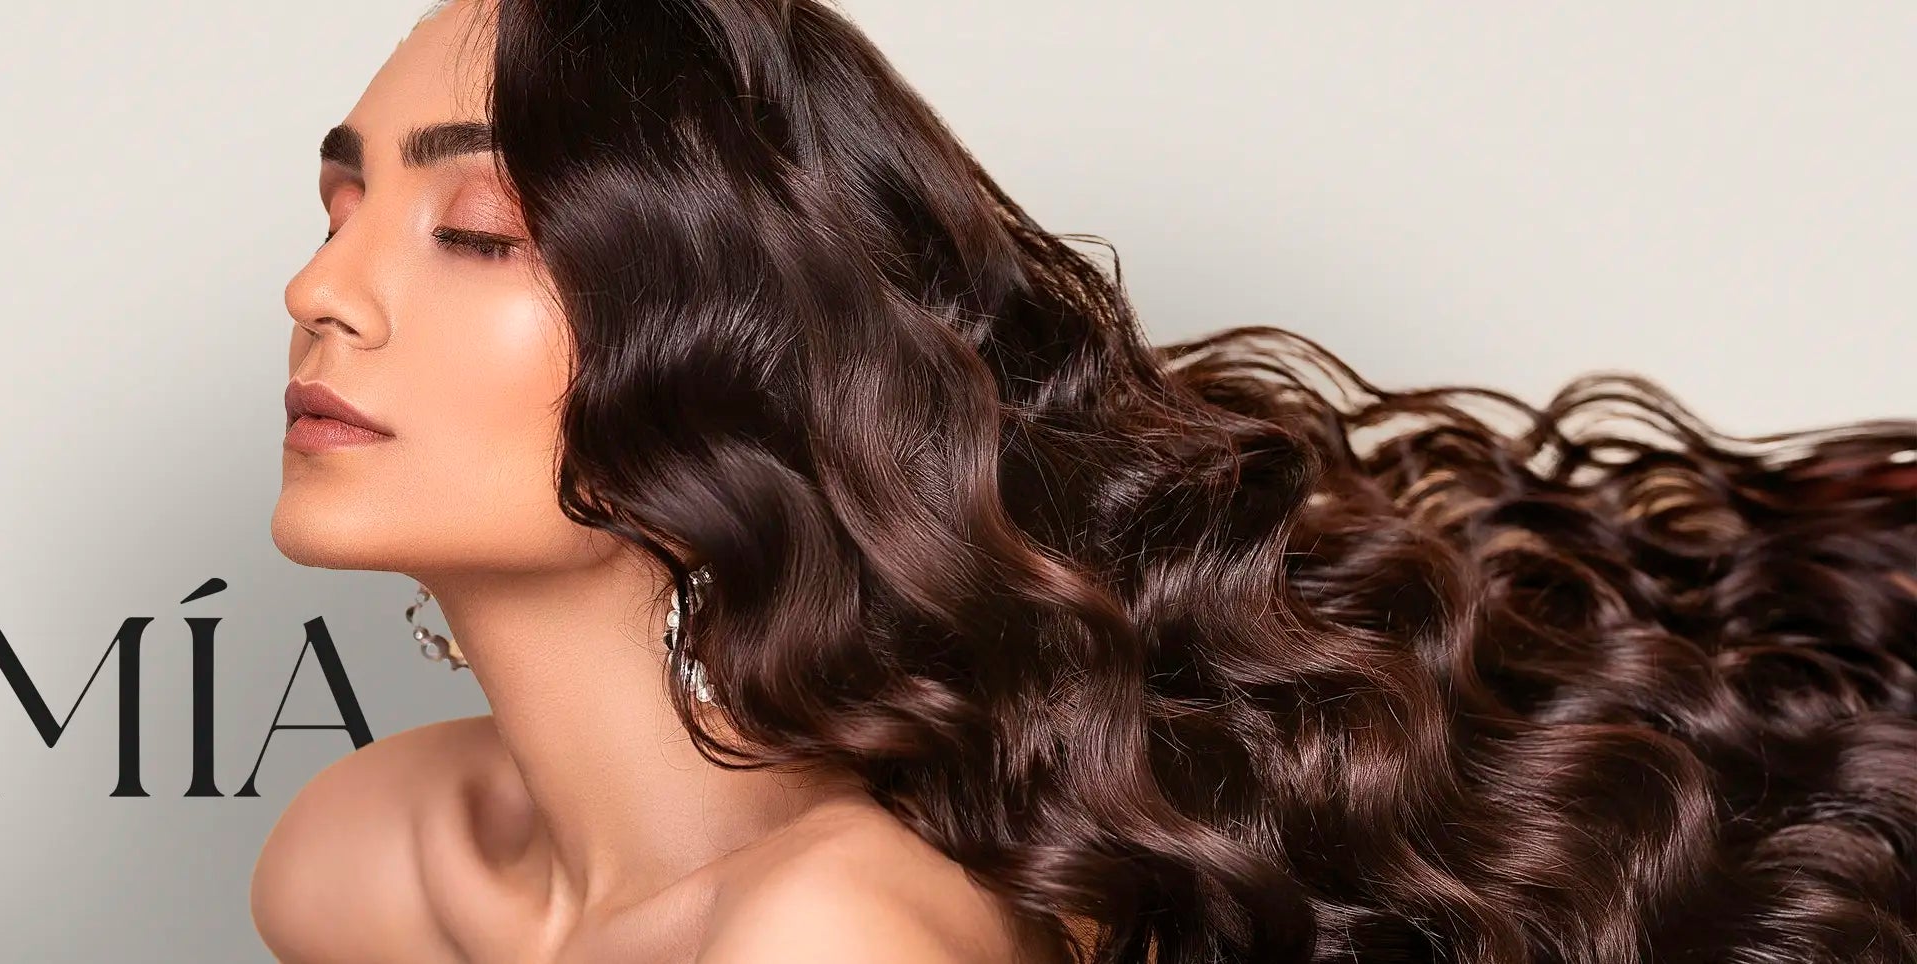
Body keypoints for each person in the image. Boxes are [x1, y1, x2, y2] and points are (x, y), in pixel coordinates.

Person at [250, 1, 1917, 961]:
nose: (322, 291)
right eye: (343, 209)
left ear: (737, 347)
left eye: (479, 232)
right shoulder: (361, 859)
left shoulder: (826, 933)